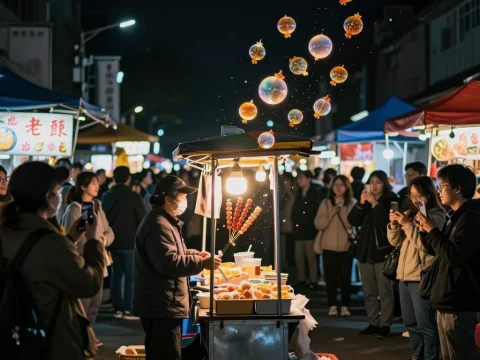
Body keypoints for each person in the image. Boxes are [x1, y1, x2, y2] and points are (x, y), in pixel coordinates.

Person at [0, 161, 105, 359]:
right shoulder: (49, 241)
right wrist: (93, 242)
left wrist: (70, 239)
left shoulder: (8, 231)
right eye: (57, 190)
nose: (60, 195)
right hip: (50, 341)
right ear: (48, 196)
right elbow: (88, 284)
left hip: (13, 337)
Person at [132, 175, 221, 359]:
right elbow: (168, 263)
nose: (184, 200)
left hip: (165, 304)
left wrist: (196, 255)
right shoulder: (157, 224)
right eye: (182, 196)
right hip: (160, 306)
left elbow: (175, 253)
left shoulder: (165, 221)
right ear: (168, 199)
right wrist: (202, 263)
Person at [417, 165, 480, 360]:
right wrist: (426, 230)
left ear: (457, 188)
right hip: (447, 299)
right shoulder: (455, 215)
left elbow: (454, 256)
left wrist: (433, 231)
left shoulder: (470, 217)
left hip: (460, 300)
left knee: (460, 354)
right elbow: (436, 251)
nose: (438, 190)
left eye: (442, 185)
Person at [388, 176, 444, 360]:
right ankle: (416, 356)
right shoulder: (410, 214)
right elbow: (394, 241)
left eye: (418, 194)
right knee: (410, 323)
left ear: (429, 193)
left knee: (426, 325)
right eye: (411, 195)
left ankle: (430, 357)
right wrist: (395, 225)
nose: (414, 199)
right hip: (404, 276)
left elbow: (426, 247)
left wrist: (407, 225)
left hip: (422, 278)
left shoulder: (436, 216)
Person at [62, 172, 114, 347]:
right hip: (83, 262)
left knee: (95, 302)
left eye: (97, 183)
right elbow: (75, 236)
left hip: (98, 261)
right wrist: (92, 244)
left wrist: (102, 241)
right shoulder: (76, 208)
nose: (97, 186)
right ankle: (80, 337)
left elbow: (109, 232)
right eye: (93, 183)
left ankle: (88, 335)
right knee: (83, 303)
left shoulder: (96, 205)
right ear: (82, 186)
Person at [348, 170, 398, 338]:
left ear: (385, 184)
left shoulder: (391, 200)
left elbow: (387, 223)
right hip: (365, 253)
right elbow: (353, 220)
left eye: (378, 182)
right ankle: (372, 323)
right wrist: (361, 203)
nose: (374, 185)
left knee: (385, 292)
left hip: (382, 253)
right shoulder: (366, 201)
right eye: (371, 182)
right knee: (368, 291)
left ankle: (385, 325)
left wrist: (376, 204)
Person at [102, 166, 146, 320]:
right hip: (129, 242)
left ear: (114, 178)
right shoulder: (134, 196)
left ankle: (117, 308)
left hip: (112, 242)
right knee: (130, 276)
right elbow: (142, 219)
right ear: (128, 179)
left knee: (116, 274)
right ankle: (128, 308)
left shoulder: (107, 196)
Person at [315, 175, 357, 317]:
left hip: (346, 247)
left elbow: (353, 223)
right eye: (335, 185)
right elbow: (319, 224)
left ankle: (345, 305)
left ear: (347, 187)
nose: (338, 188)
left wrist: (342, 211)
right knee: (330, 278)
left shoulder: (352, 203)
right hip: (329, 247)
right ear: (331, 187)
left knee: (346, 279)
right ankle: (332, 305)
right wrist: (331, 214)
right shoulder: (326, 203)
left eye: (341, 185)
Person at [292, 170, 320, 290]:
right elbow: (295, 211)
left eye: (302, 178)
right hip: (299, 231)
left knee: (311, 257)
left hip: (310, 230)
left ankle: (313, 280)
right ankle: (302, 279)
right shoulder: (298, 193)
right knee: (299, 257)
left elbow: (315, 212)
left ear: (309, 179)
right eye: (299, 178)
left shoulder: (314, 193)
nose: (299, 180)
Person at [281, 173, 296, 270]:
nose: (285, 184)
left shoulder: (293, 195)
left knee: (290, 251)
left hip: (291, 228)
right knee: (283, 251)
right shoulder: (282, 195)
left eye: (287, 181)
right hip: (282, 228)